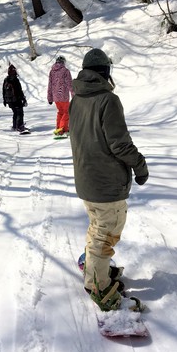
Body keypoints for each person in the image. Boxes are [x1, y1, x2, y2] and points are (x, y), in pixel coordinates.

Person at [69, 48, 149, 312]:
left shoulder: (77, 98)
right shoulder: (107, 99)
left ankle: (95, 270)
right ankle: (99, 287)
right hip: (106, 186)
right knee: (105, 237)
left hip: (87, 182)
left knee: (97, 229)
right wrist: (140, 165)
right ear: (104, 72)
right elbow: (120, 144)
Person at [47, 55, 73, 135]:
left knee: (60, 112)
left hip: (56, 97)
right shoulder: (65, 71)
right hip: (64, 96)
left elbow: (50, 85)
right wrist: (74, 95)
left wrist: (50, 98)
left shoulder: (52, 71)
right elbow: (70, 84)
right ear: (63, 62)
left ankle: (59, 128)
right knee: (66, 112)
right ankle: (62, 129)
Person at [2, 64, 28, 133]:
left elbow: (3, 90)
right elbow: (19, 90)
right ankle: (19, 126)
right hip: (16, 99)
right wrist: (23, 98)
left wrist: (4, 100)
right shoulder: (15, 80)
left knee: (15, 113)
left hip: (9, 100)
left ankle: (15, 126)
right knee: (20, 113)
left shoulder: (6, 79)